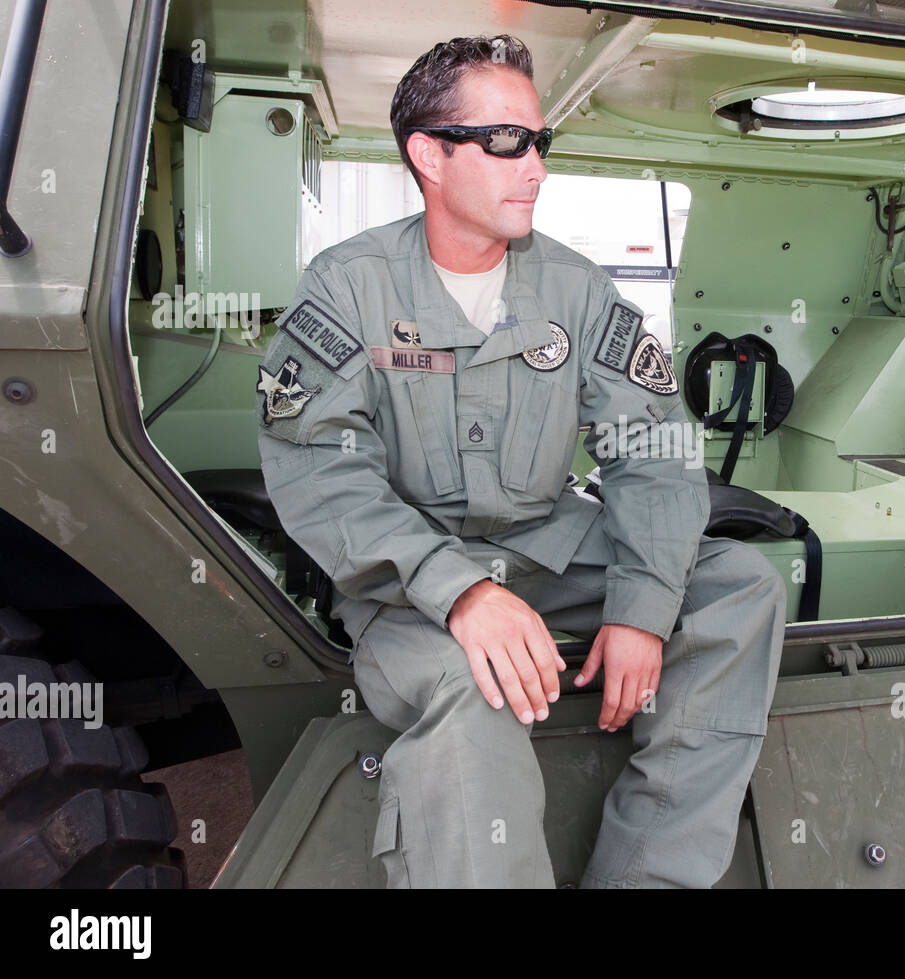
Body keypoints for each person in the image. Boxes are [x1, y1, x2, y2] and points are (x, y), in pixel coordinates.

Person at [256, 34, 786, 888]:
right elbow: (319, 468)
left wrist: (644, 608)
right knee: (472, 687)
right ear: (428, 153)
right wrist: (462, 592)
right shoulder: (347, 288)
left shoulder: (576, 290)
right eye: (505, 141)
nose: (533, 166)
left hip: (548, 551)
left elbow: (651, 450)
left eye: (540, 142)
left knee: (742, 586)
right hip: (407, 588)